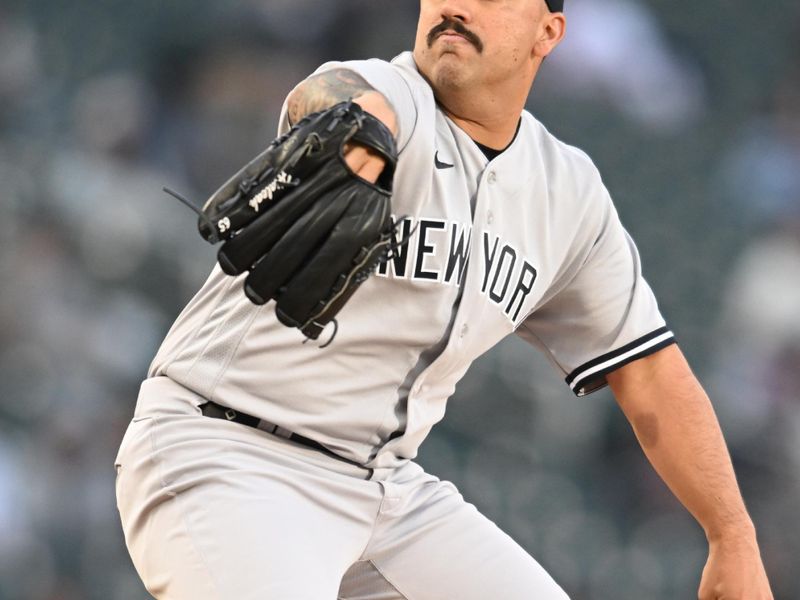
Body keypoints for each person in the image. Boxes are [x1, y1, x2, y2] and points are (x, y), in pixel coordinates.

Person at [114, 1, 773, 598]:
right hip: (228, 451)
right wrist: (355, 127)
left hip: (386, 491)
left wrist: (732, 534)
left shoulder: (566, 193)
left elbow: (652, 374)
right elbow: (334, 95)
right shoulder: (389, 94)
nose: (455, 7)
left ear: (549, 32)